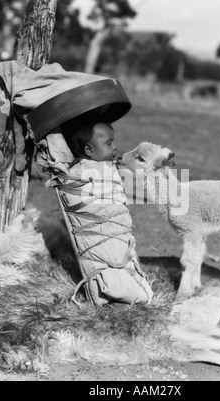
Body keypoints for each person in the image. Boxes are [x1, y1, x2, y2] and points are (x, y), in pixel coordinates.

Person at [59, 118, 153, 307]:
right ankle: (111, 286)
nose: (115, 147)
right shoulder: (78, 176)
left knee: (121, 252)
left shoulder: (108, 171)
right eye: (109, 143)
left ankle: (126, 283)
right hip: (99, 250)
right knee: (107, 256)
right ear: (88, 151)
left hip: (120, 241)